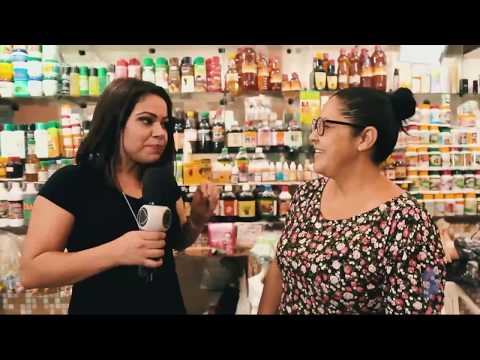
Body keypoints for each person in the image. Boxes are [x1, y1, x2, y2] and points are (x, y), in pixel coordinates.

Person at [19, 78, 219, 314]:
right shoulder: (72, 182)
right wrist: (115, 252)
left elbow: (175, 242)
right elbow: (32, 272)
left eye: (165, 124)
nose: (160, 133)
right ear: (116, 122)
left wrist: (196, 220)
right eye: (146, 121)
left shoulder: (161, 181)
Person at [258, 87, 446, 315]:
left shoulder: (410, 224)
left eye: (325, 126)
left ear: (365, 138)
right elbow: (280, 267)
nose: (313, 135)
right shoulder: (307, 195)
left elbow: (426, 299)